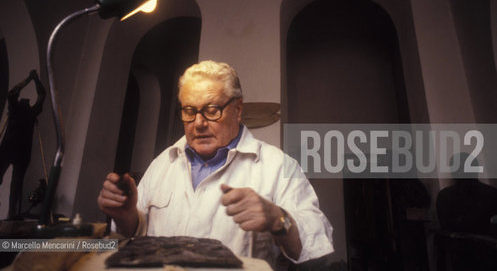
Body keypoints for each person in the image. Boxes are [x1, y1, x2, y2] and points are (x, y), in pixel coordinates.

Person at [98, 60, 333, 265]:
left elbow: (316, 238)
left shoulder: (279, 165)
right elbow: (133, 233)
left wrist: (278, 219)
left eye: (211, 110)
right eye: (189, 111)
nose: (198, 123)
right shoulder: (163, 163)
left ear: (238, 109)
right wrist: (125, 213)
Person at [0, 70, 46, 219]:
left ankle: (11, 215)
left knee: (16, 186)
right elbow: (13, 93)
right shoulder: (22, 111)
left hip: (17, 151)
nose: (25, 100)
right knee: (15, 185)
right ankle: (11, 214)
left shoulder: (25, 111)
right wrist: (32, 79)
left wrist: (32, 79)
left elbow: (41, 95)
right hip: (12, 149)